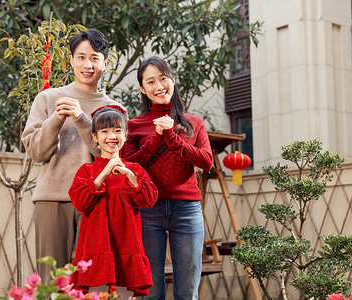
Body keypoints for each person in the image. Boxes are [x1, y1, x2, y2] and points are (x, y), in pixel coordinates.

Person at [22, 28, 124, 284]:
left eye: (94, 58)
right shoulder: (48, 98)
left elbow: (110, 156)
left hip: (97, 202)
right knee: (51, 281)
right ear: (71, 60)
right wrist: (56, 118)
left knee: (92, 282)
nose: (87, 64)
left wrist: (81, 118)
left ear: (105, 63)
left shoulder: (115, 109)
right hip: (52, 200)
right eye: (80, 57)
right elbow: (36, 152)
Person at [122, 56, 213, 300]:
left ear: (172, 80)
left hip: (187, 209)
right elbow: (128, 165)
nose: (159, 86)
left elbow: (207, 161)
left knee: (187, 291)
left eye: (163, 78)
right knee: (150, 291)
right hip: (147, 209)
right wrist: (156, 138)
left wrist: (172, 137)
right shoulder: (134, 125)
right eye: (150, 81)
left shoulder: (194, 123)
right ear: (143, 88)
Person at [69, 105, 158, 297]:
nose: (112, 136)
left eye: (118, 130)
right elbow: (80, 202)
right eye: (105, 131)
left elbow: (149, 199)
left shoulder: (135, 169)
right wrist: (104, 173)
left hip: (127, 246)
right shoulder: (87, 170)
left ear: (126, 135)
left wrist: (129, 174)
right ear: (94, 137)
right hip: (96, 248)